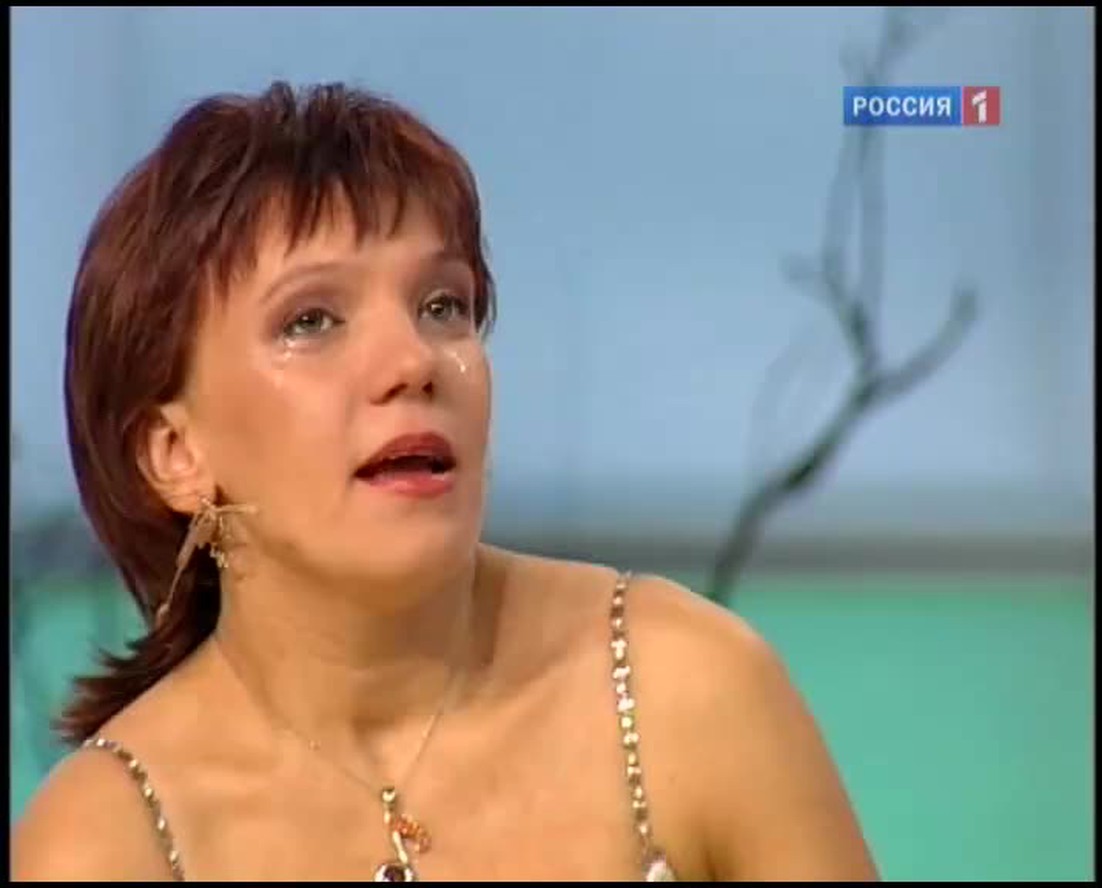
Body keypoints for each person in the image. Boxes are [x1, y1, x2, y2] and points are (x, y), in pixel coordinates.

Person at [12, 81, 878, 882]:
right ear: (175, 453)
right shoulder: (105, 843)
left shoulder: (681, 688)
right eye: (311, 320)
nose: (413, 361)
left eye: (443, 306)